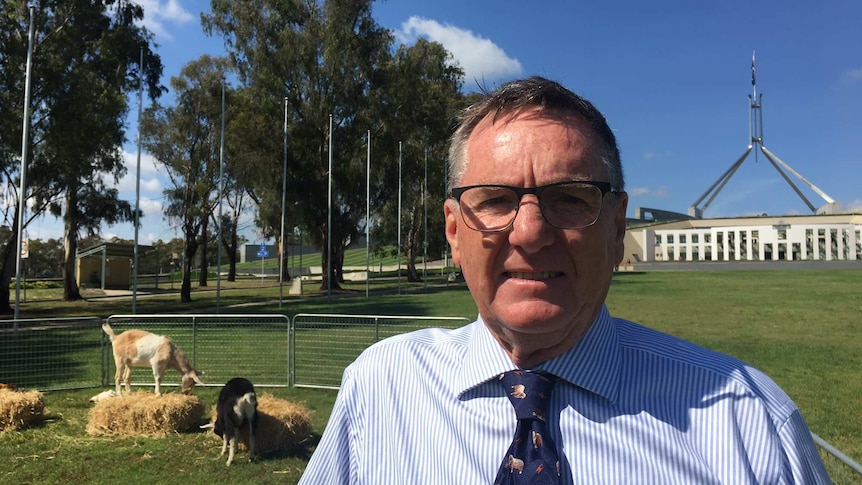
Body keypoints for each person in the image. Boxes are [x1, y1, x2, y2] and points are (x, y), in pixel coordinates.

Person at [299, 76, 830, 483]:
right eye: (496, 200)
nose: (530, 233)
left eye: (570, 198)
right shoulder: (381, 389)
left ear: (618, 228)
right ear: (455, 231)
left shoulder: (747, 422)